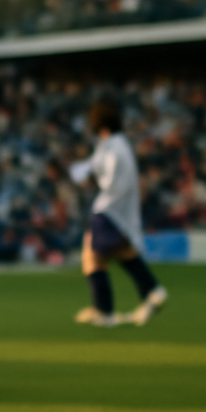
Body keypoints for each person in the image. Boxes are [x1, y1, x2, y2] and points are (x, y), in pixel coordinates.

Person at [70, 98, 169, 327]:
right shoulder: (117, 144)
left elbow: (111, 179)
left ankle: (105, 311)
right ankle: (150, 291)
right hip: (117, 210)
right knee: (116, 251)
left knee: (95, 253)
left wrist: (93, 180)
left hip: (109, 209)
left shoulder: (113, 148)